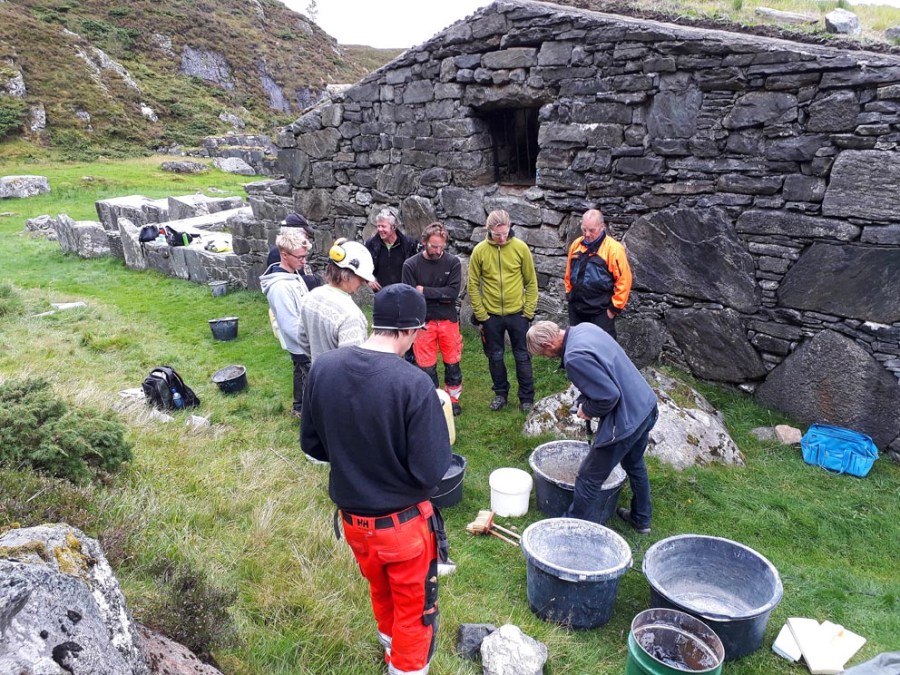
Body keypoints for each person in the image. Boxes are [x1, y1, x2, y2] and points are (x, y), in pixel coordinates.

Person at [301, 283, 452, 675]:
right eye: (417, 334)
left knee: (381, 592)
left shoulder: (323, 368)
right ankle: (404, 668)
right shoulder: (414, 384)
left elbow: (313, 446)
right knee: (416, 609)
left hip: (354, 523)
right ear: (410, 330)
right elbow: (431, 471)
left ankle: (389, 653)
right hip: (401, 528)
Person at [526, 320, 659, 533]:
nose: (548, 358)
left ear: (548, 346)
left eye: (544, 355)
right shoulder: (585, 329)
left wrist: (587, 409)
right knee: (634, 464)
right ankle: (641, 519)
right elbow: (604, 369)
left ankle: (571, 528)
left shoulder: (573, 357)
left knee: (588, 478)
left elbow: (609, 396)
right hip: (645, 405)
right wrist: (585, 397)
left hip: (627, 421)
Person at [467, 209, 538, 412]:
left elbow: (531, 282)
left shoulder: (520, 248)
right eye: (497, 234)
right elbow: (473, 284)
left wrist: (528, 311)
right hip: (491, 316)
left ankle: (526, 398)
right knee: (495, 356)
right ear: (489, 230)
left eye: (505, 233)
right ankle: (500, 394)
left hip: (518, 314)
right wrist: (481, 315)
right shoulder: (480, 251)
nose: (502, 238)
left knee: (522, 356)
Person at [402, 222, 463, 416]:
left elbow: (452, 293)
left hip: (448, 320)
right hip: (423, 322)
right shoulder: (411, 265)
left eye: (441, 247)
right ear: (424, 242)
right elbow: (411, 296)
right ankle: (434, 399)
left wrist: (424, 290)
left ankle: (453, 399)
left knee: (452, 362)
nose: (437, 251)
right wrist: (438, 294)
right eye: (433, 246)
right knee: (426, 365)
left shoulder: (452, 262)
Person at [259, 229, 322, 417]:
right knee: (313, 379)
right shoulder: (279, 287)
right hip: (302, 343)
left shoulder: (293, 274)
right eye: (300, 258)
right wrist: (311, 345)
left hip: (304, 341)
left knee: (300, 373)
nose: (304, 262)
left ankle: (299, 408)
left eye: (305, 257)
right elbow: (290, 325)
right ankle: (313, 414)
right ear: (284, 255)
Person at [297, 238, 374, 362]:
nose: (364, 283)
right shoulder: (350, 316)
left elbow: (302, 340)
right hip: (340, 381)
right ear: (345, 276)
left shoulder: (310, 297)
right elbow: (353, 363)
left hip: (317, 374)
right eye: (361, 278)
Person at [564, 208, 633, 341]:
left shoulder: (614, 249)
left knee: (604, 348)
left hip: (600, 312)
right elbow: (568, 272)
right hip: (576, 309)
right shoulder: (576, 245)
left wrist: (613, 310)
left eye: (592, 230)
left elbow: (624, 281)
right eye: (584, 229)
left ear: (602, 227)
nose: (587, 234)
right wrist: (569, 294)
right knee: (576, 345)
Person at [364, 207, 420, 293]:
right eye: (378, 226)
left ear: (394, 227)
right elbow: (363, 265)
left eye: (383, 226)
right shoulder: (371, 244)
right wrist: (369, 279)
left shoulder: (409, 244)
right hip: (381, 294)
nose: (380, 229)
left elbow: (417, 268)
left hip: (404, 293)